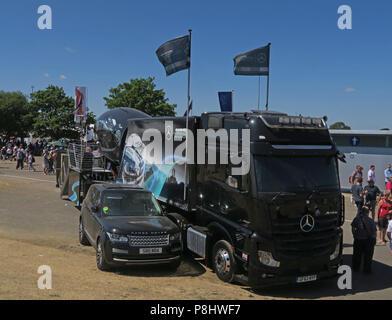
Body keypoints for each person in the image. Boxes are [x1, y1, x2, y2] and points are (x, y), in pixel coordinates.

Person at [351, 206, 377, 274]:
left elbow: (353, 228)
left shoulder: (356, 219)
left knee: (357, 254)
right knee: (368, 256)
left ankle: (356, 268)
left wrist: (354, 235)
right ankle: (367, 270)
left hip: (358, 239)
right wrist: (374, 240)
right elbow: (374, 231)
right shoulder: (371, 221)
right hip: (368, 240)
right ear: (368, 212)